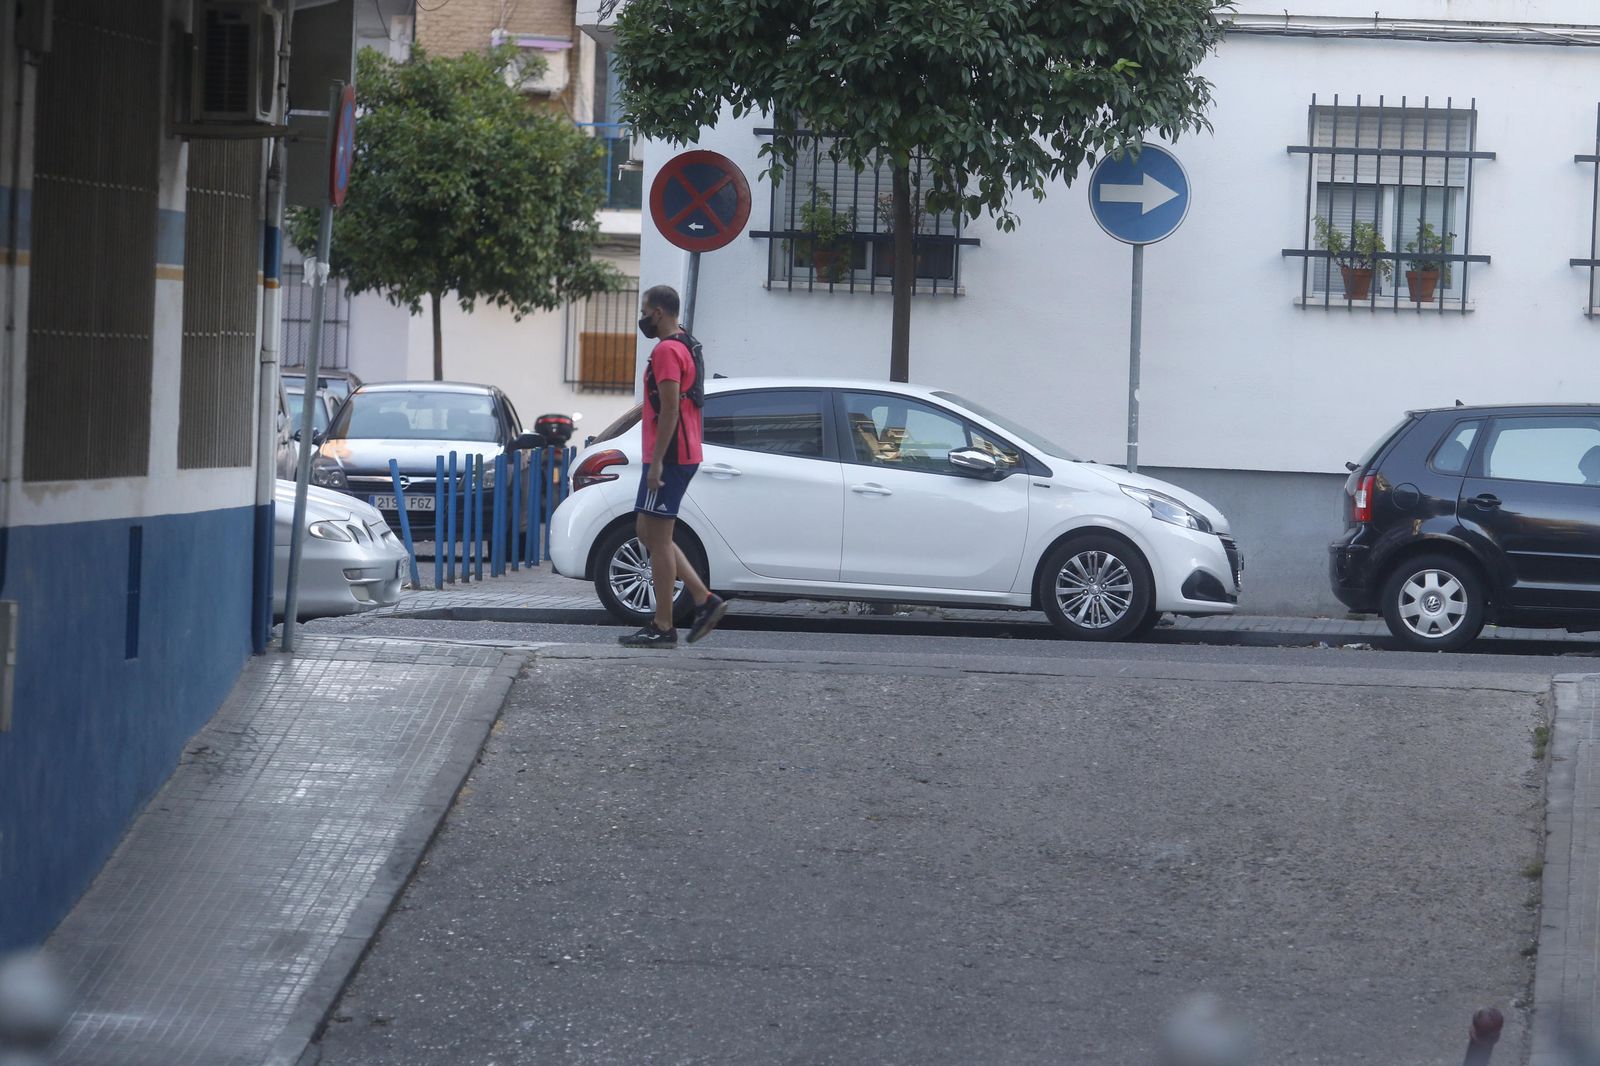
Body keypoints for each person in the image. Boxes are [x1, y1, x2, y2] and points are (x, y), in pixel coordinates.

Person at [618, 285, 729, 647]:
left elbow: (669, 410)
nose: (643, 319)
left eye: (645, 312)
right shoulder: (686, 343)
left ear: (659, 313)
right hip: (680, 453)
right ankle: (703, 599)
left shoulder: (667, 350)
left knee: (658, 538)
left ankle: (664, 625)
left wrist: (656, 465)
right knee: (648, 532)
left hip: (669, 457)